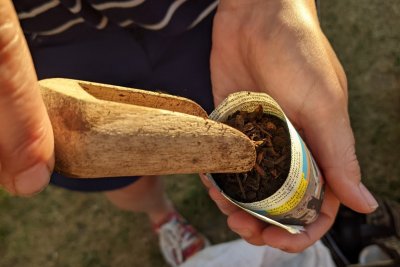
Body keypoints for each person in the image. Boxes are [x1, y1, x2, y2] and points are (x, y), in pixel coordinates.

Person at [0, 0, 379, 266]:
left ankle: (326, 209)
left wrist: (263, 7)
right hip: (44, 46)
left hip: (200, 20)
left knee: (216, 115)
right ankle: (162, 217)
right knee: (113, 169)